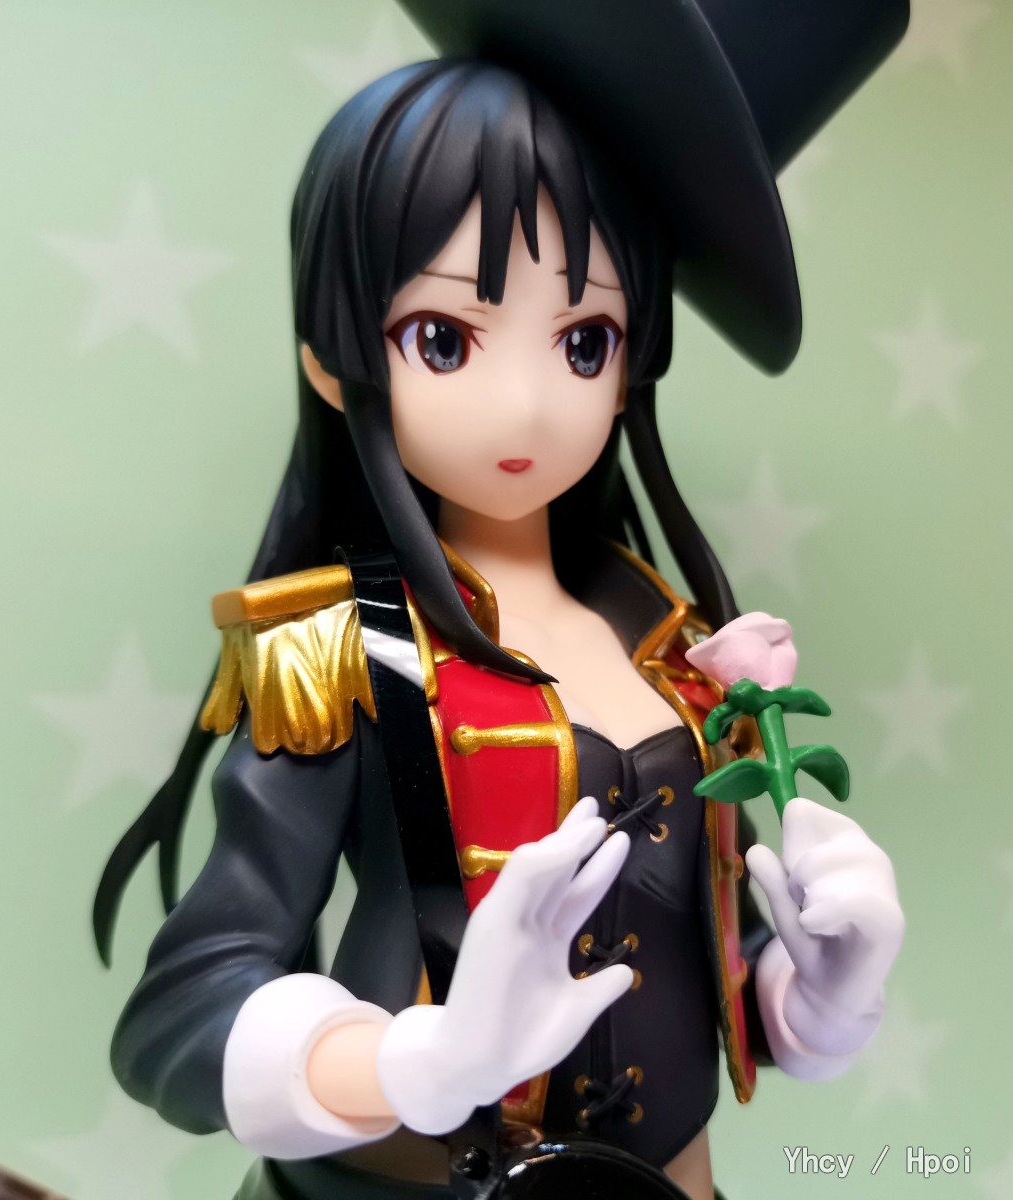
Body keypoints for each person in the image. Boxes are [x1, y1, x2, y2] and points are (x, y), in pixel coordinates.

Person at [93, 5, 909, 1198]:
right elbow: (180, 1016)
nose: (525, 406)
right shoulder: (334, 650)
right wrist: (411, 1064)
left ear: (632, 363)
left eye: (583, 342)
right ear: (334, 351)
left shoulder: (674, 647)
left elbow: (693, 959)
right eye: (444, 337)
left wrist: (814, 992)